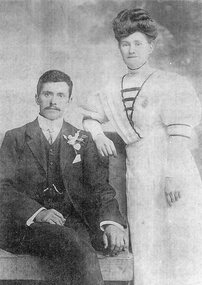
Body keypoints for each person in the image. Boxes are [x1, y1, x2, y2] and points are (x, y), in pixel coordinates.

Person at [83, 8, 202, 285]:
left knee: (180, 245)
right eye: (125, 44)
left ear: (150, 46)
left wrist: (172, 175)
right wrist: (98, 134)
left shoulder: (170, 82)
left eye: (138, 43)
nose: (131, 50)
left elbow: (180, 134)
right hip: (138, 175)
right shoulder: (113, 87)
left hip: (172, 169)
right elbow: (90, 116)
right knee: (148, 246)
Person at [0, 70, 128, 285]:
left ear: (69, 100)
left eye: (60, 95)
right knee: (75, 245)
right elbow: (3, 187)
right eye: (47, 94)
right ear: (36, 98)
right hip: (26, 225)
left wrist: (113, 223)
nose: (53, 101)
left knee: (75, 242)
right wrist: (39, 213)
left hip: (73, 222)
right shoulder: (15, 138)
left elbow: (100, 188)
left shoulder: (84, 140)